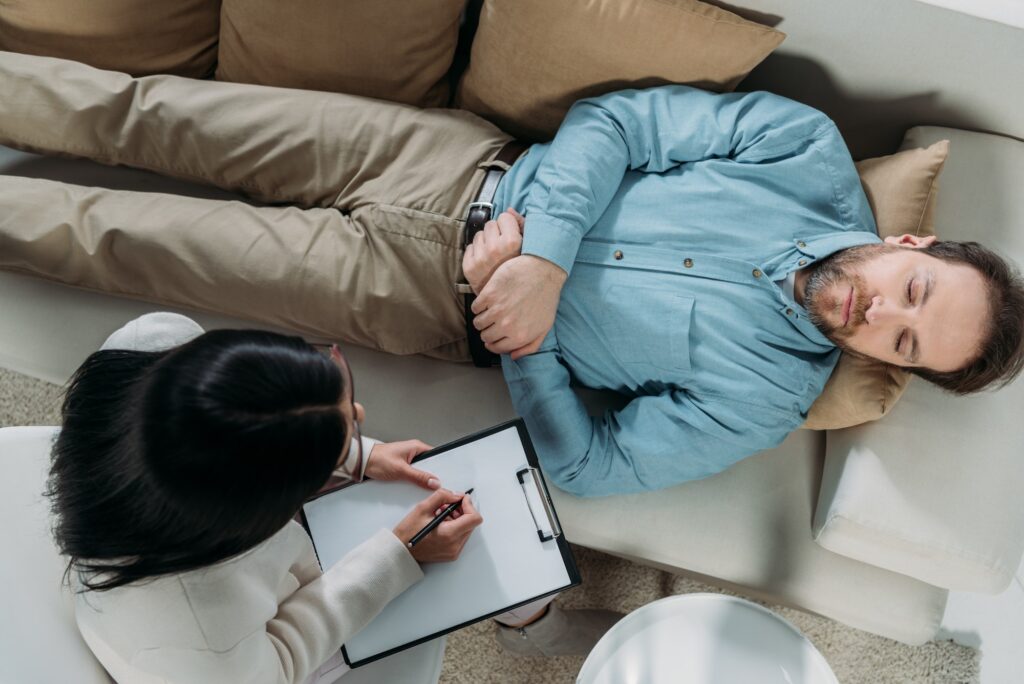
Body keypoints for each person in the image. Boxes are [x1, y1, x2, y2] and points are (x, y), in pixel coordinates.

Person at [2, 52, 1022, 502]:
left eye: (898, 344)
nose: (875, 313)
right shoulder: (802, 151)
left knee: (122, 240)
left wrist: (522, 336)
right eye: (912, 296)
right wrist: (542, 257)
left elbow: (590, 466)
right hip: (439, 160)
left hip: (407, 294)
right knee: (147, 116)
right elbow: (619, 122)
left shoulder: (760, 402)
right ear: (916, 249)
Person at [50, 312, 484, 683]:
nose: (359, 415)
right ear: (266, 510)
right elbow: (283, 658)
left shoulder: (153, 342)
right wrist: (399, 555)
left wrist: (355, 452)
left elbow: (244, 423)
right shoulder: (204, 652)